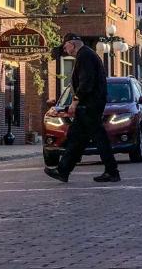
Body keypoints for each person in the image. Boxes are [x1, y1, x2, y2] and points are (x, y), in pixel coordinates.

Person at [45, 33, 120, 184]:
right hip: (91, 104)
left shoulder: (85, 56)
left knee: (98, 138)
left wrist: (75, 102)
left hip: (89, 105)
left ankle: (112, 172)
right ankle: (63, 171)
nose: (66, 51)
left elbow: (86, 82)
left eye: (66, 47)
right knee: (77, 137)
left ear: (72, 44)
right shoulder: (87, 55)